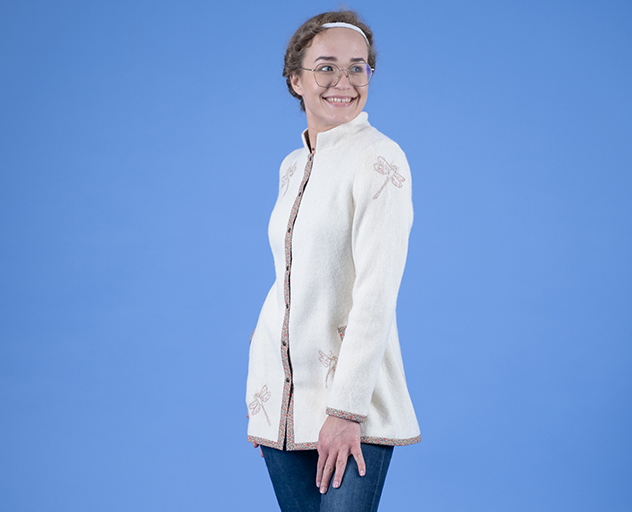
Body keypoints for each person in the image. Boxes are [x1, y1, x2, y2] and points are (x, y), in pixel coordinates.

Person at [245, 10, 420, 512]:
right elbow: (288, 283)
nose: (344, 81)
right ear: (296, 80)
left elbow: (376, 292)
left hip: (353, 404)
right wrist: (266, 395)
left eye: (357, 67)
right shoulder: (292, 165)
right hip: (283, 402)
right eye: (326, 67)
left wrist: (345, 411)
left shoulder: (380, 159)